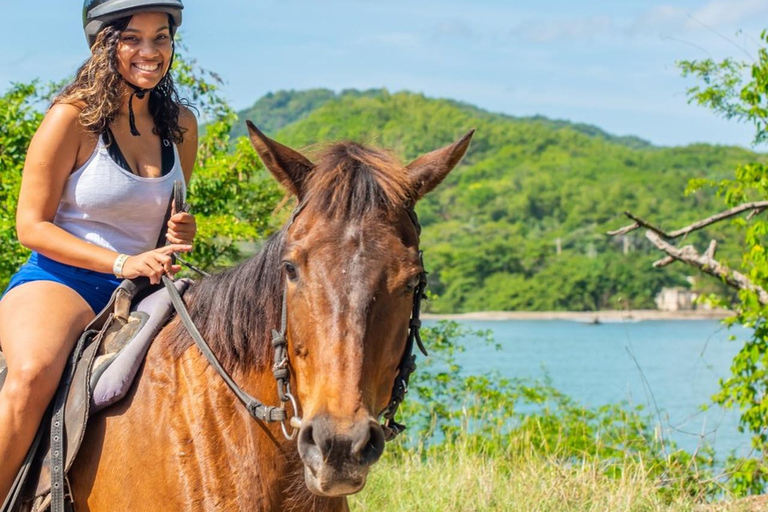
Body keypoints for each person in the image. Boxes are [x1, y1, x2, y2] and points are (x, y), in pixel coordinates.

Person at [0, 0, 198, 502]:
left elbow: (154, 235)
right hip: (61, 280)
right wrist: (120, 262)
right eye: (132, 38)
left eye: (161, 37)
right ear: (102, 43)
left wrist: (174, 237)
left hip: (145, 287)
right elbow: (30, 226)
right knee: (30, 376)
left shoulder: (182, 124)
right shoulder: (71, 119)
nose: (150, 51)